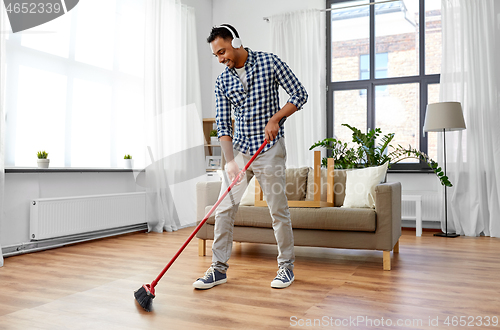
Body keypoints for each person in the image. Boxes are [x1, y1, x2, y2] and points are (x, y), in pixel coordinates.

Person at [193, 24, 308, 290]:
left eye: (222, 51)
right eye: (216, 55)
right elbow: (223, 125)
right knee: (224, 209)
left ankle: (286, 268)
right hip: (241, 152)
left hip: (269, 150)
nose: (221, 59)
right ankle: (218, 270)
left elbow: (299, 94)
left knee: (278, 210)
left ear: (236, 41)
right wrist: (230, 161)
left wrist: (277, 118)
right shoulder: (223, 81)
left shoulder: (270, 62)